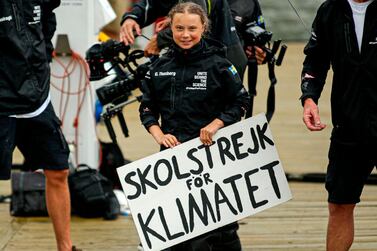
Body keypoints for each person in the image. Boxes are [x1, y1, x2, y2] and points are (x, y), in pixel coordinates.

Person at [139, 2, 250, 250]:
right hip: (173, 158)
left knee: (221, 228)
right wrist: (159, 134)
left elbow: (241, 101)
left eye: (192, 28)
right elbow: (147, 108)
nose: (185, 35)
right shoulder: (158, 67)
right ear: (170, 28)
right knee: (175, 229)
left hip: (213, 154)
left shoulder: (220, 65)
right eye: (179, 28)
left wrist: (217, 124)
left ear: (203, 28)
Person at [0, 1, 79, 250]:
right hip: (1, 101)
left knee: (58, 170)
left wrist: (42, 58)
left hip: (37, 99)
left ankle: (65, 247)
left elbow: (47, 20)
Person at [300, 0, 377, 250]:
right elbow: (315, 60)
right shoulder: (329, 10)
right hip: (348, 125)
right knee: (339, 203)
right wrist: (309, 98)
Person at [119, 0, 248, 78]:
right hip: (196, 57)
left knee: (219, 118)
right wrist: (132, 17)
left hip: (223, 57)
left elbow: (195, 15)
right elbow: (152, 3)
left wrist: (160, 40)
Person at [227, 0, 266, 117]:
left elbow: (257, 35)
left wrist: (260, 52)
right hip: (189, 78)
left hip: (232, 78)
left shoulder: (249, 2)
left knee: (228, 122)